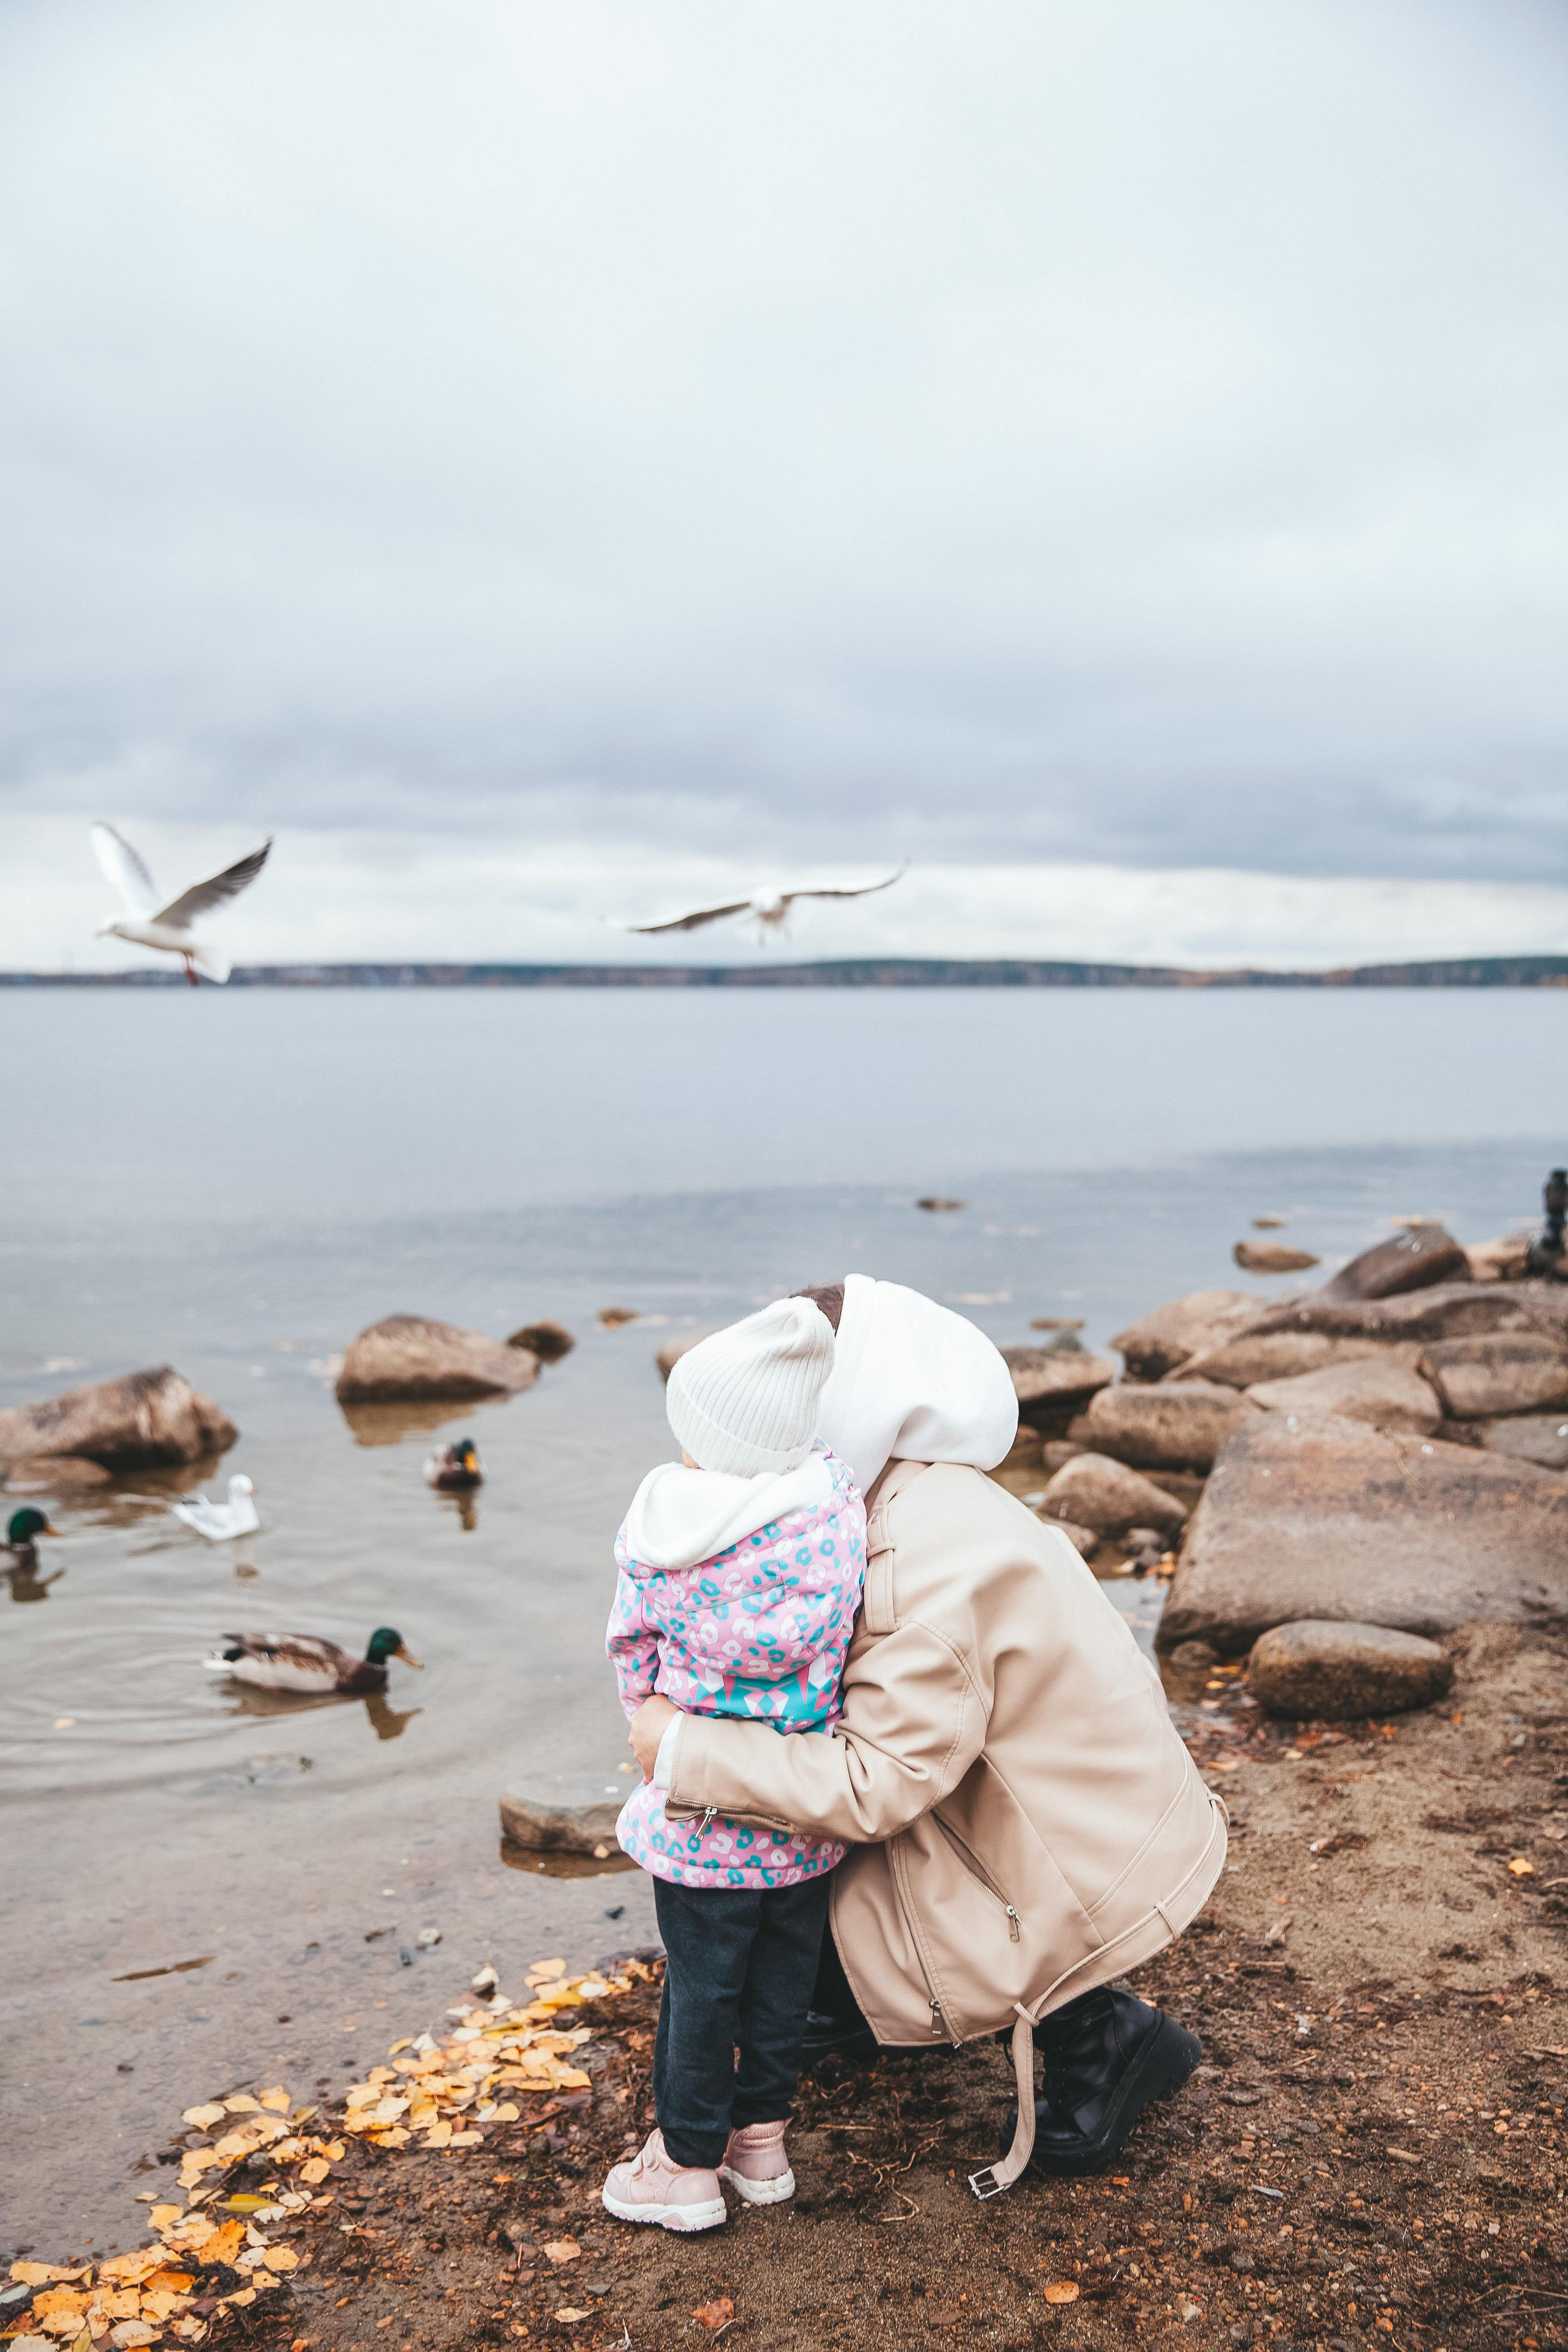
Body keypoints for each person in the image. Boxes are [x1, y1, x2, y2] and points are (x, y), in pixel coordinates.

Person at [630, 1276, 1226, 2198]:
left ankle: (1103, 2036)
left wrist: (680, 1749)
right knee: (793, 1863)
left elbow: (880, 1782)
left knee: (785, 1861)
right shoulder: (915, 1493)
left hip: (1074, 1861)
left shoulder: (916, 1557)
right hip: (1074, 1812)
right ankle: (845, 2000)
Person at [600, 1296, 866, 2233]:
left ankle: (683, 2166)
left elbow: (632, 1650)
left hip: (704, 1820)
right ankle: (761, 2147)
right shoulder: (835, 1514)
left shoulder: (669, 1533)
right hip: (798, 1814)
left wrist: (656, 1731)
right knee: (783, 1985)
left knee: (702, 1990)